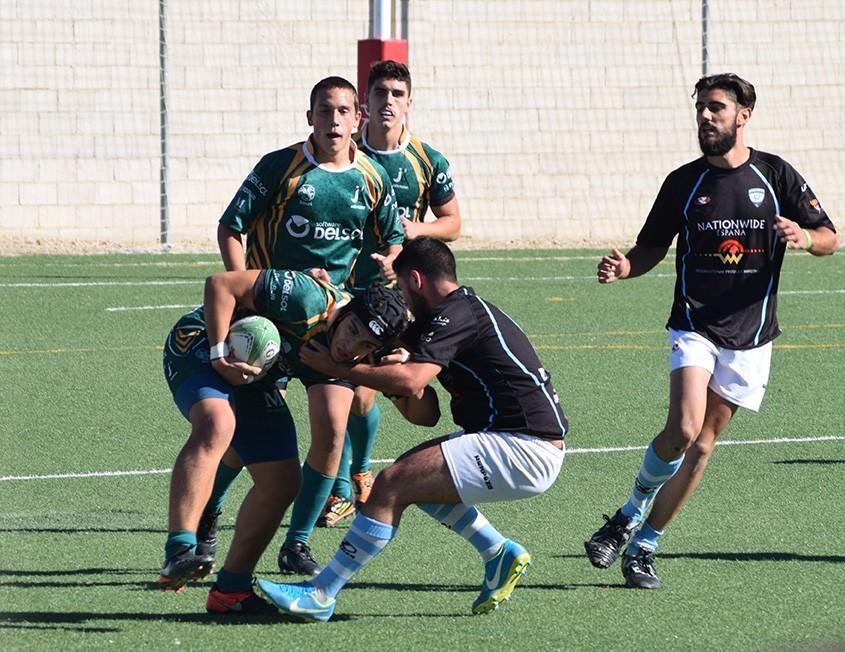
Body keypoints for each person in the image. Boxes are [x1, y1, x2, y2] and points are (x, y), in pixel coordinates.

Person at [583, 73, 838, 589]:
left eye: (716, 108)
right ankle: (628, 514)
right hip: (695, 323)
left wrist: (804, 236)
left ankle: (644, 546)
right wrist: (627, 268)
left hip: (753, 333)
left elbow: (829, 236)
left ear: (743, 114)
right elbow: (651, 245)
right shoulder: (684, 181)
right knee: (682, 426)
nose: (705, 116)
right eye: (701, 107)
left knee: (702, 445)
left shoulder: (776, 176)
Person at [257, 236, 568, 621]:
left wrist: (337, 369)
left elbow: (409, 381)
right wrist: (329, 293)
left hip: (524, 448)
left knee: (391, 482)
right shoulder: (452, 314)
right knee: (415, 479)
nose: (401, 297)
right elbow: (421, 406)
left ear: (416, 280)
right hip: (512, 440)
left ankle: (321, 593)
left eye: (402, 287)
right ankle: (498, 552)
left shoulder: (456, 314)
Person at [200, 76, 404, 576]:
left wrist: (390, 261)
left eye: (342, 111)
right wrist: (243, 287)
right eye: (324, 110)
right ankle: (207, 513)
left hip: (334, 325)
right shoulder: (281, 167)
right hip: (272, 320)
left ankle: (298, 541)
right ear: (309, 116)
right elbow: (232, 226)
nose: (333, 120)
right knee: (249, 437)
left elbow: (395, 239)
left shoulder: (372, 177)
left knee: (333, 428)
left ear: (357, 118)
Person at [159, 267, 408, 615]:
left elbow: (422, 412)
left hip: (257, 377)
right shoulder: (307, 298)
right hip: (202, 343)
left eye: (365, 344)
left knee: (283, 482)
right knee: (218, 423)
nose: (349, 346)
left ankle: (231, 592)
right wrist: (219, 353)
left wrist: (404, 368)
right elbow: (219, 283)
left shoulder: (370, 352)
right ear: (346, 310)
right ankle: (181, 550)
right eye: (352, 330)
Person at [321, 59, 462, 528]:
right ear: (365, 104)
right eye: (379, 93)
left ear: (409, 104)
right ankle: (346, 484)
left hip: (400, 298)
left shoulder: (427, 160)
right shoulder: (347, 156)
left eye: (397, 94)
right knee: (347, 388)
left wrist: (415, 229)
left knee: (374, 386)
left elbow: (454, 224)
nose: (388, 102)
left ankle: (358, 473)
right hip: (346, 287)